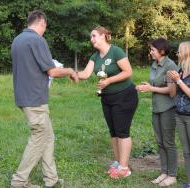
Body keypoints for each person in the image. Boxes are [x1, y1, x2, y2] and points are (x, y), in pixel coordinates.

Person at [10, 10, 78, 188]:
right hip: (35, 99)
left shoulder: (18, 40)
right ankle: (19, 181)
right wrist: (70, 71)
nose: (44, 31)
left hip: (24, 96)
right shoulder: (37, 40)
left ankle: (51, 180)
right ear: (41, 22)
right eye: (45, 27)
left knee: (48, 137)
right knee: (39, 138)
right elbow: (53, 71)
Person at [77, 26, 138, 179]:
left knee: (122, 131)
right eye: (91, 37)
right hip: (107, 98)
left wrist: (109, 80)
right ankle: (118, 162)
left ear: (104, 36)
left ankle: (124, 168)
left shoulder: (116, 51)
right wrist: (70, 73)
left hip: (124, 96)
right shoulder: (95, 56)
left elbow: (128, 72)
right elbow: (85, 74)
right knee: (113, 131)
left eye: (94, 36)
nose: (91, 39)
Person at [136, 38, 178, 187]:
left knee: (168, 142)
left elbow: (172, 92)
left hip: (168, 109)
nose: (150, 52)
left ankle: (172, 175)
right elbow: (155, 83)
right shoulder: (155, 64)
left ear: (161, 51)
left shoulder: (170, 65)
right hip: (156, 108)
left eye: (153, 50)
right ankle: (164, 172)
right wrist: (147, 86)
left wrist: (151, 89)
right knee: (160, 142)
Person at [167, 41, 190, 188]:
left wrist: (179, 81)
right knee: (186, 151)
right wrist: (172, 80)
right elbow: (173, 94)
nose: (177, 54)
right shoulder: (181, 71)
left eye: (179, 51)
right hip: (180, 115)